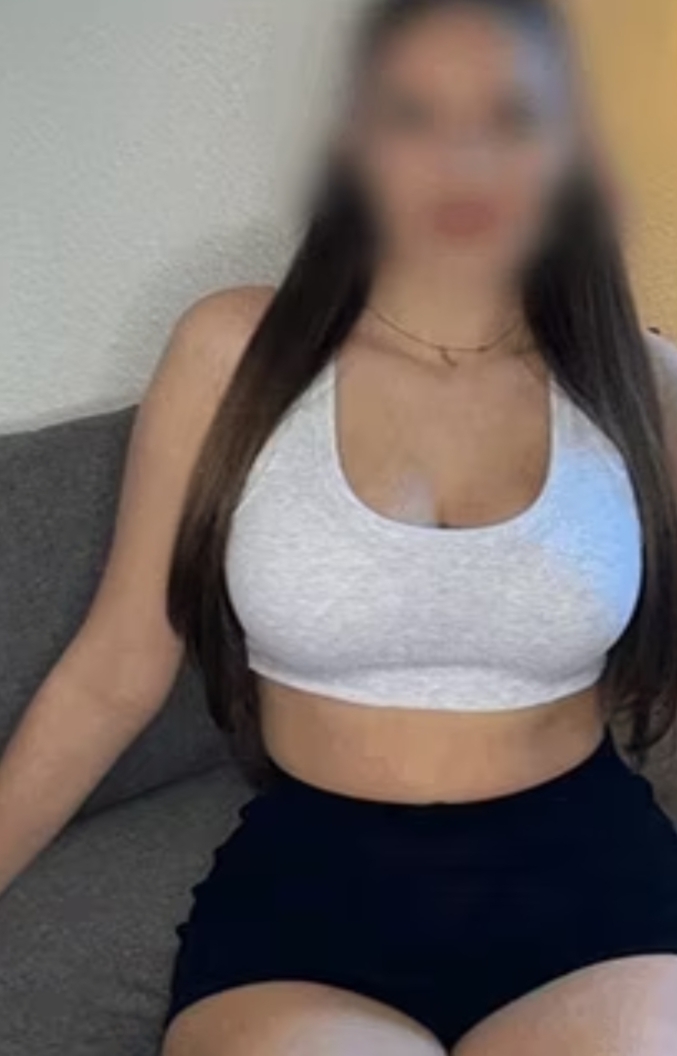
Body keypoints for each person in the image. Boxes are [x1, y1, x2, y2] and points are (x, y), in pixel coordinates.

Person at [2, 0, 677, 1052]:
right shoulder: (235, 349)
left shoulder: (642, 381)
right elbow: (116, 667)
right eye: (414, 115)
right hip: (312, 892)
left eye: (508, 116)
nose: (462, 162)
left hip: (592, 884)